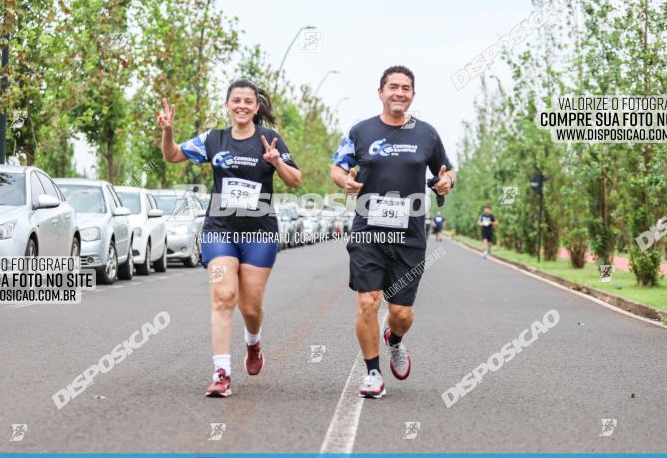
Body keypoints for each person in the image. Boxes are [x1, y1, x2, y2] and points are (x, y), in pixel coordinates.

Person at [159, 80, 301, 397]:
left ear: (256, 107)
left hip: (259, 233)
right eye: (236, 100)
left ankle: (253, 343)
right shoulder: (214, 139)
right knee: (223, 296)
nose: (242, 105)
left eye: (248, 101)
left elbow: (295, 180)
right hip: (219, 231)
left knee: (250, 308)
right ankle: (221, 373)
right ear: (227, 105)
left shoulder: (270, 139)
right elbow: (172, 156)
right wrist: (168, 131)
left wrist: (277, 162)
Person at [330, 65, 455, 399]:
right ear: (380, 91)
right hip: (368, 230)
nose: (400, 92)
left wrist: (446, 181)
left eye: (406, 88)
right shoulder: (361, 131)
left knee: (400, 313)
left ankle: (395, 340)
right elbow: (337, 166)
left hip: (409, 234)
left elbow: (447, 171)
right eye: (393, 87)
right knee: (368, 302)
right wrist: (345, 180)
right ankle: (372, 373)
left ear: (413, 94)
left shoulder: (426, 134)